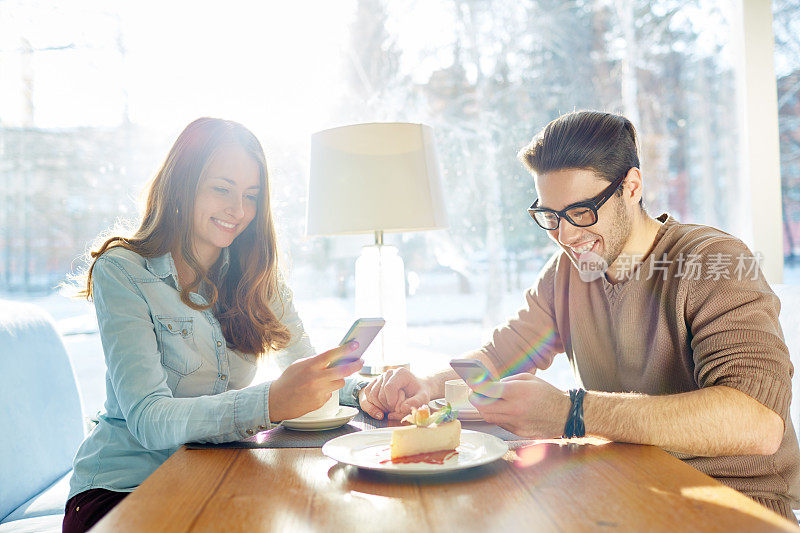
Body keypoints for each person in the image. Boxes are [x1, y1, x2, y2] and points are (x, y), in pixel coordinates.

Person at [357, 111, 800, 520]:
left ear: (631, 187)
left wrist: (573, 412)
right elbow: (502, 354)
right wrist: (431, 384)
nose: (566, 235)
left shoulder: (712, 262)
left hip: (734, 500)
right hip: (631, 487)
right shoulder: (568, 273)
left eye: (581, 212)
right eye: (549, 216)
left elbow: (756, 423)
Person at [63, 118, 363, 533]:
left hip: (214, 475)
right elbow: (150, 419)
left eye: (251, 196)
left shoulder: (256, 276)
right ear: (182, 186)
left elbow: (309, 369)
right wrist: (271, 402)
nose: (238, 211)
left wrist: (371, 391)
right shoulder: (124, 271)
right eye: (221, 189)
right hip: (123, 490)